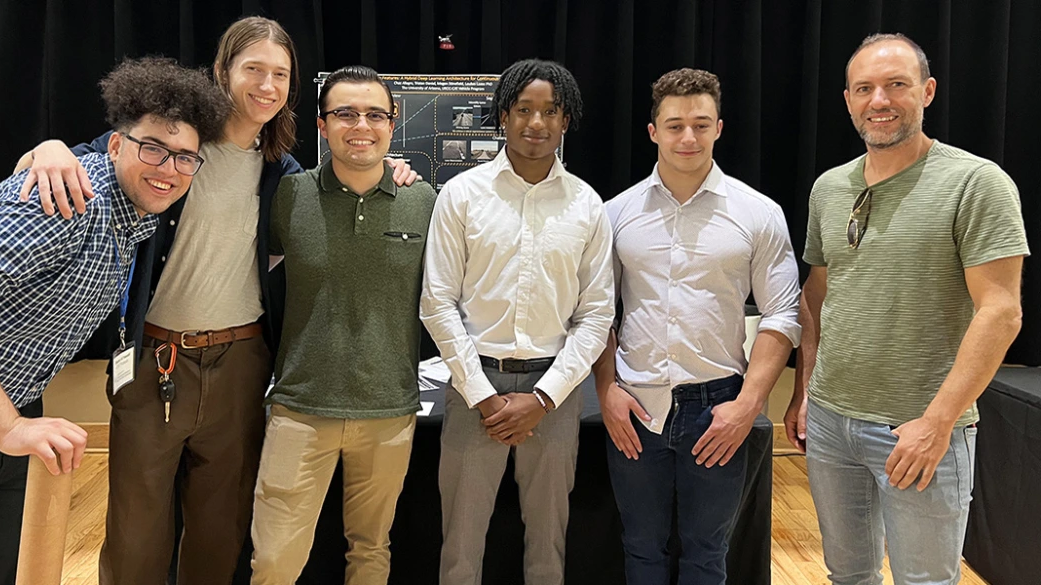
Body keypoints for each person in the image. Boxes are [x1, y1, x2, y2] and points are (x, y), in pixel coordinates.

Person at [15, 18, 416, 584]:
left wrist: (394, 169)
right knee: (136, 522)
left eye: (280, 74)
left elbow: (353, 182)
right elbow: (101, 153)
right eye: (253, 69)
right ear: (222, 72)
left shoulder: (284, 174)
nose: (267, 86)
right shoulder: (175, 149)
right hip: (153, 360)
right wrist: (51, 146)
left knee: (221, 524)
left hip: (241, 361)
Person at [0, 56, 224, 585]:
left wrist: (10, 426)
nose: (169, 169)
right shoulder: (68, 200)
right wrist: (6, 426)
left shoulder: (131, 220)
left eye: (186, 158)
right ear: (115, 145)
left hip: (4, 418)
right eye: (154, 149)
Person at [786, 33, 1029, 585]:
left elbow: (1002, 311)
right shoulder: (829, 188)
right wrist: (804, 393)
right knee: (847, 574)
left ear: (927, 90)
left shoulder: (976, 182)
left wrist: (938, 422)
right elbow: (816, 298)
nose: (880, 100)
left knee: (925, 580)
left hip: (919, 431)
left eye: (897, 85)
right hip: (830, 423)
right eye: (865, 88)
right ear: (847, 99)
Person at [594, 68, 800, 585]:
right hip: (635, 406)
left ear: (719, 128)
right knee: (640, 548)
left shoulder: (759, 213)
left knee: (708, 553)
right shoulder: (614, 214)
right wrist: (606, 391)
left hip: (719, 406)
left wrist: (748, 406)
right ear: (653, 132)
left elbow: (783, 313)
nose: (688, 137)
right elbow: (596, 312)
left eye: (700, 125)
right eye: (675, 125)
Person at [420, 58, 615, 585]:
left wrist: (544, 397)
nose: (537, 122)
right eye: (524, 109)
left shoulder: (587, 206)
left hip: (555, 389)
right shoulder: (462, 195)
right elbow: (437, 303)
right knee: (460, 542)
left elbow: (597, 314)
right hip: (472, 387)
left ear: (566, 120)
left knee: (548, 543)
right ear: (503, 116)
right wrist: (482, 395)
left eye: (550, 111)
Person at [249, 65, 437, 585]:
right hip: (299, 409)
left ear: (393, 124)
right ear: (322, 123)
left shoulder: (423, 201)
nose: (361, 125)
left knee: (372, 551)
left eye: (375, 114)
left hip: (388, 410)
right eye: (346, 113)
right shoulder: (288, 196)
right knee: (273, 561)